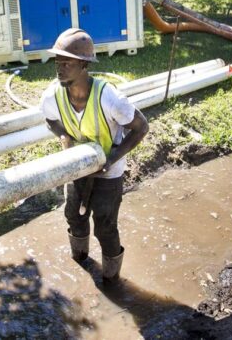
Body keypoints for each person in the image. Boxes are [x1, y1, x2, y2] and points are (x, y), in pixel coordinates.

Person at [39, 28, 149, 283]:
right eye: (58, 61)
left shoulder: (108, 97)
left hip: (108, 171)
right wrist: (64, 137)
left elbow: (142, 127)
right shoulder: (52, 96)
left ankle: (111, 279)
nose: (60, 67)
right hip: (77, 166)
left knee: (105, 225)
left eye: (67, 62)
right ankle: (80, 260)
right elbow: (51, 121)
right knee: (74, 216)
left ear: (85, 65)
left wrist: (112, 157)